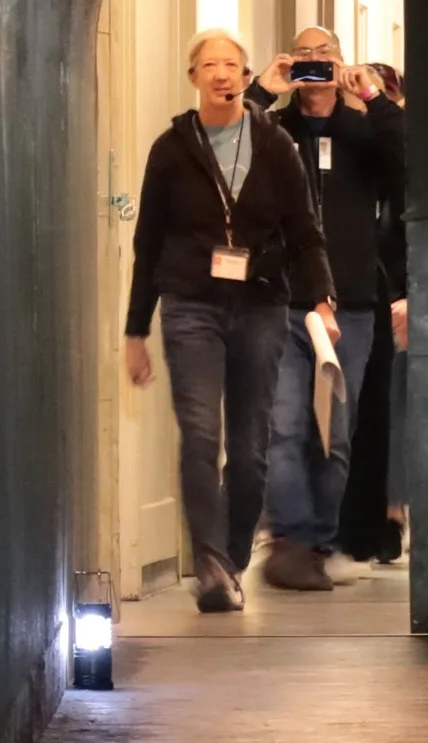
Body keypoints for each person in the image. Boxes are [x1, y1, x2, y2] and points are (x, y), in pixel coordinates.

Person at [124, 30, 336, 613]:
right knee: (200, 433)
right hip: (191, 302)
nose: (221, 74)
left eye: (232, 65)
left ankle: (234, 555)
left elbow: (305, 232)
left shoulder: (275, 146)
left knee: (249, 449)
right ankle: (210, 563)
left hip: (262, 302)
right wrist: (135, 331)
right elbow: (147, 243)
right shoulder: (172, 148)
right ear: (193, 76)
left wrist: (321, 298)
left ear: (247, 77)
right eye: (209, 65)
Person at [249, 30, 406, 589]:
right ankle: (290, 538)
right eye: (305, 55)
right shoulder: (272, 130)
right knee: (282, 425)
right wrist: (261, 93)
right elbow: (224, 153)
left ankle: (316, 538)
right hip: (281, 300)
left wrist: (374, 97)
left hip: (353, 301)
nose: (314, 65)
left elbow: (407, 163)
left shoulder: (362, 131)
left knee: (336, 434)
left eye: (326, 56)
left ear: (341, 64)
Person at [339, 63, 410, 564]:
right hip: (359, 293)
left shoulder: (395, 148)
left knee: (394, 411)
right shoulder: (348, 148)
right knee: (361, 416)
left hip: (397, 294)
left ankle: (392, 512)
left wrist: (413, 292)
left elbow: (408, 181)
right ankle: (361, 521)